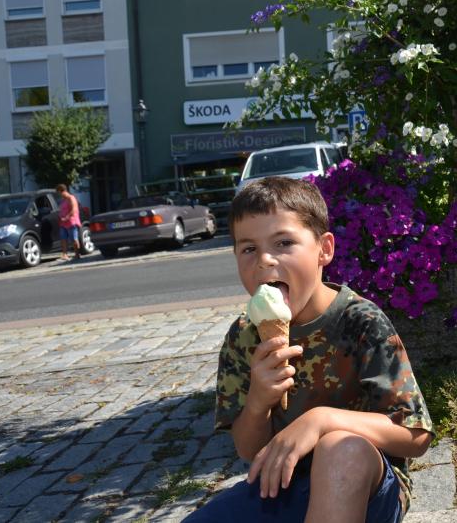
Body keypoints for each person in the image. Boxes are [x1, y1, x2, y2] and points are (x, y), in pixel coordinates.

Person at [186, 176, 434, 523]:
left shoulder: (359, 321)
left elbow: (415, 435)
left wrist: (322, 421)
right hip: (284, 488)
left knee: (340, 448)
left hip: (366, 489)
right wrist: (258, 401)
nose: (265, 261)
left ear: (324, 250)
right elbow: (249, 450)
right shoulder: (244, 336)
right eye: (248, 249)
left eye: (284, 242)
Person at [55, 184, 82, 260]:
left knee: (74, 239)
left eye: (59, 193)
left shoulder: (71, 198)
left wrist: (66, 218)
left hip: (71, 222)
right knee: (63, 238)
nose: (59, 195)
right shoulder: (63, 200)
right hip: (63, 223)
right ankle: (65, 254)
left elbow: (74, 209)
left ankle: (77, 254)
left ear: (62, 191)